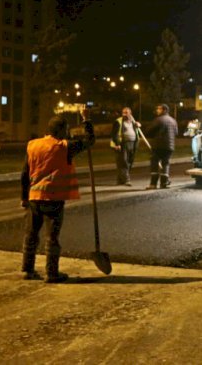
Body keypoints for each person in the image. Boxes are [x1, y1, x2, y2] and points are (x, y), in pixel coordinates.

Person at [20, 109, 95, 283]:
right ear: (60, 130)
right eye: (66, 129)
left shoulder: (33, 145)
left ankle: (27, 269)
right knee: (52, 237)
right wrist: (87, 120)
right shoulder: (64, 147)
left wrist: (24, 197)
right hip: (53, 198)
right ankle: (52, 273)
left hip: (34, 197)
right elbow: (89, 141)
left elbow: (25, 173)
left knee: (31, 234)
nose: (67, 132)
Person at [144, 104, 178, 190]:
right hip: (169, 146)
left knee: (154, 163)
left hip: (158, 145)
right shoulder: (173, 121)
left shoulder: (158, 120)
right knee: (166, 163)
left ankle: (153, 184)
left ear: (164, 110)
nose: (157, 110)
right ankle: (164, 183)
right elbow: (176, 133)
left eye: (158, 109)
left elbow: (149, 131)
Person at [110, 107, 140, 186]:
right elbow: (114, 134)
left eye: (126, 112)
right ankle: (127, 180)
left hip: (133, 144)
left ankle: (120, 180)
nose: (124, 114)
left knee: (130, 162)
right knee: (123, 162)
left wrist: (138, 125)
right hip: (122, 144)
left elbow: (137, 131)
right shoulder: (118, 121)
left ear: (130, 113)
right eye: (123, 112)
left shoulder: (133, 122)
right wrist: (117, 144)